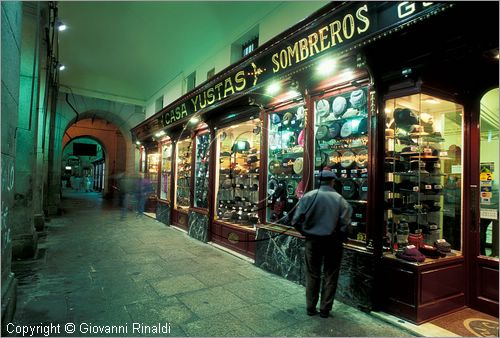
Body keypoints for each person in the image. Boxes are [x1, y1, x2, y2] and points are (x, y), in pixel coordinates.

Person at [292, 170, 352, 318]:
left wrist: (306, 233)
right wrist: (341, 238)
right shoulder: (340, 200)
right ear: (332, 182)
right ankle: (325, 309)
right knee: (330, 275)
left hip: (313, 242)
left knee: (312, 274)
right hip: (333, 243)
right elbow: (346, 226)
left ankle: (310, 307)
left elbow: (295, 221)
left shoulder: (308, 197)